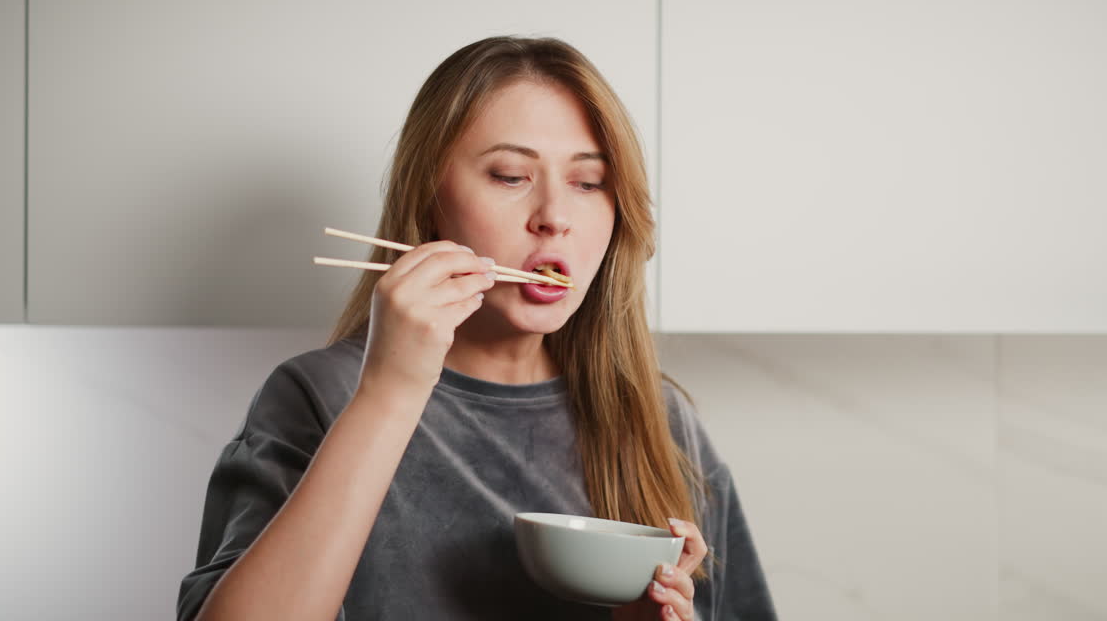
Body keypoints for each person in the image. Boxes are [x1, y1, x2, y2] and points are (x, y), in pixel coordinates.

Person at [177, 36, 778, 620]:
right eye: (510, 176)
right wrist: (390, 393)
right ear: (430, 196)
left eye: (589, 183)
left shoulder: (662, 421)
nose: (554, 218)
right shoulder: (319, 395)